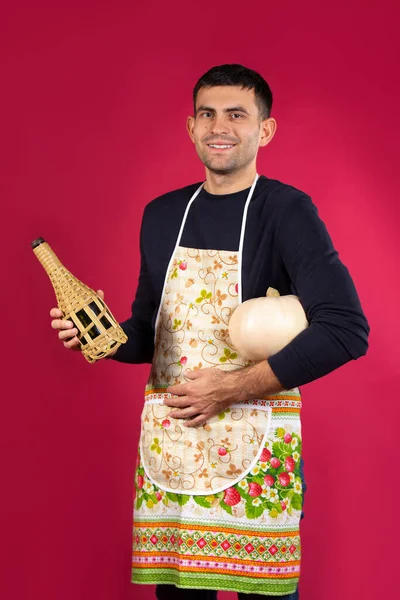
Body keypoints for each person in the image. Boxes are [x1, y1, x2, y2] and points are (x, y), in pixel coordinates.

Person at [50, 64, 369, 598]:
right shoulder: (161, 214)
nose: (219, 126)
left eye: (236, 114)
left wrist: (234, 387)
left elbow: (346, 328)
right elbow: (153, 338)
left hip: (254, 444)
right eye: (207, 113)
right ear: (191, 127)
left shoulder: (287, 211)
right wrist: (100, 337)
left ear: (264, 130)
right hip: (174, 446)